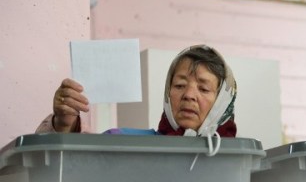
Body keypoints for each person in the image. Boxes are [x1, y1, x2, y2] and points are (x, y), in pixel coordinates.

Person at [36, 44, 237, 138]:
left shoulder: (236, 161)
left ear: (222, 104)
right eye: (179, 85)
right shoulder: (122, 142)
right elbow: (68, 171)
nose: (189, 95)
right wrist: (64, 124)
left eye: (203, 88)